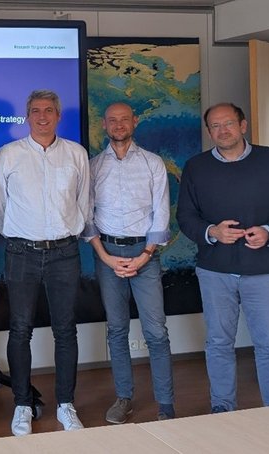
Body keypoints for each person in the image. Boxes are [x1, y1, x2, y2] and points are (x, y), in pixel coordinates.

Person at [176, 102, 269, 413]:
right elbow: (185, 217)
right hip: (214, 270)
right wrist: (212, 232)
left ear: (243, 125)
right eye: (215, 126)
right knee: (219, 344)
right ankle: (222, 409)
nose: (222, 131)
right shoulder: (196, 166)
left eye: (228, 124)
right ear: (209, 132)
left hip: (263, 270)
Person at [0, 89, 91, 436]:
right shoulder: (9, 155)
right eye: (36, 111)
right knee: (20, 330)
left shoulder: (76, 154)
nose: (43, 116)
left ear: (58, 115)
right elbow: (0, 207)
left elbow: (84, 202)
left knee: (66, 329)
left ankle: (66, 404)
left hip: (65, 252)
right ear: (27, 116)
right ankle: (22, 405)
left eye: (49, 110)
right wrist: (19, 236)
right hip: (21, 253)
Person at [83, 102, 176, 423]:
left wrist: (145, 255)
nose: (119, 125)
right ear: (105, 125)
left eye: (125, 119)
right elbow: (87, 216)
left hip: (145, 255)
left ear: (134, 122)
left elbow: (162, 214)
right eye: (113, 120)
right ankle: (124, 398)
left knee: (156, 332)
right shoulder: (93, 167)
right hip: (108, 255)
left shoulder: (152, 164)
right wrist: (106, 257)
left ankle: (166, 405)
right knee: (117, 330)